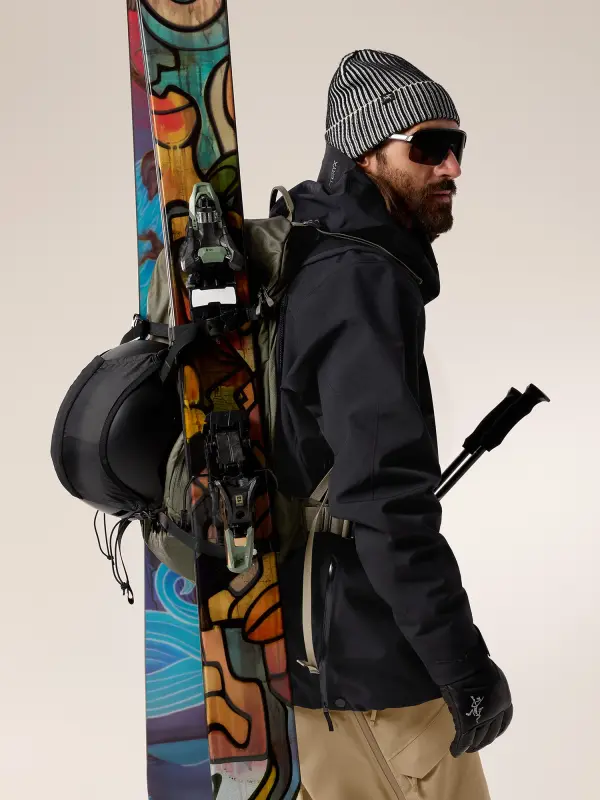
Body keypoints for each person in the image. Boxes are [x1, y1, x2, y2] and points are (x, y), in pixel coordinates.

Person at [273, 49, 513, 800]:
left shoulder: (313, 251)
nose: (452, 167)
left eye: (457, 146)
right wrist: (461, 664)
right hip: (371, 674)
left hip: (315, 660)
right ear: (367, 152)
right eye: (430, 147)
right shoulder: (360, 279)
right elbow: (383, 499)